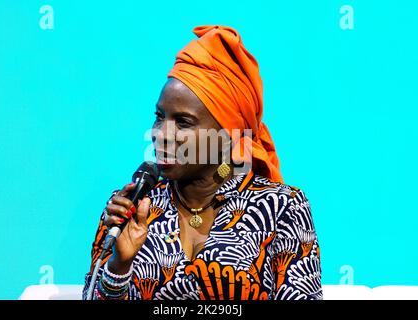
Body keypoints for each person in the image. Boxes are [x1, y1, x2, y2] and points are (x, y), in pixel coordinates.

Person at [83, 25, 322, 300]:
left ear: (228, 135)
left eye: (183, 122)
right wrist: (119, 266)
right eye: (160, 117)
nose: (161, 134)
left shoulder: (281, 208)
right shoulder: (130, 208)